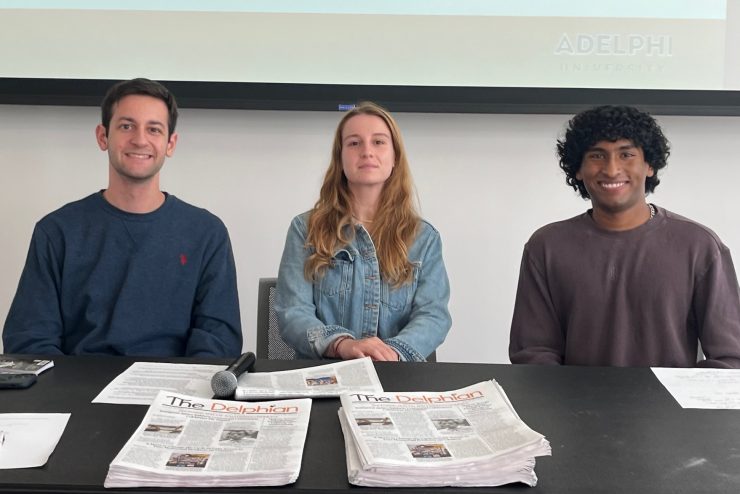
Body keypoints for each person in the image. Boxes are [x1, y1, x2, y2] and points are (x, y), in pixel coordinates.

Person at [3, 78, 242, 357]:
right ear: (103, 137)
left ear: (170, 143)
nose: (140, 139)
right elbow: (29, 340)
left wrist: (182, 393)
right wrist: (65, 395)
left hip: (171, 393)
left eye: (154, 129)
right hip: (77, 393)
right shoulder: (56, 231)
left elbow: (219, 341)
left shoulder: (207, 233)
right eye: (126, 126)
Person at [509, 105, 740, 368]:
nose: (611, 169)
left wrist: (681, 404)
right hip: (572, 406)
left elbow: (730, 358)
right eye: (597, 156)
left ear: (649, 165)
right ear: (578, 169)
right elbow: (533, 352)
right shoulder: (546, 246)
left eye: (626, 154)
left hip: (668, 408)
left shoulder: (699, 246)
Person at [275, 102, 451, 361]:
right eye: (354, 143)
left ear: (395, 158)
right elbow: (293, 312)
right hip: (325, 376)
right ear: (340, 158)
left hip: (397, 378)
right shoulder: (306, 229)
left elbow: (433, 315)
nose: (367, 152)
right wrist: (343, 345)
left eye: (379, 142)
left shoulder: (424, 238)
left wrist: (390, 354)